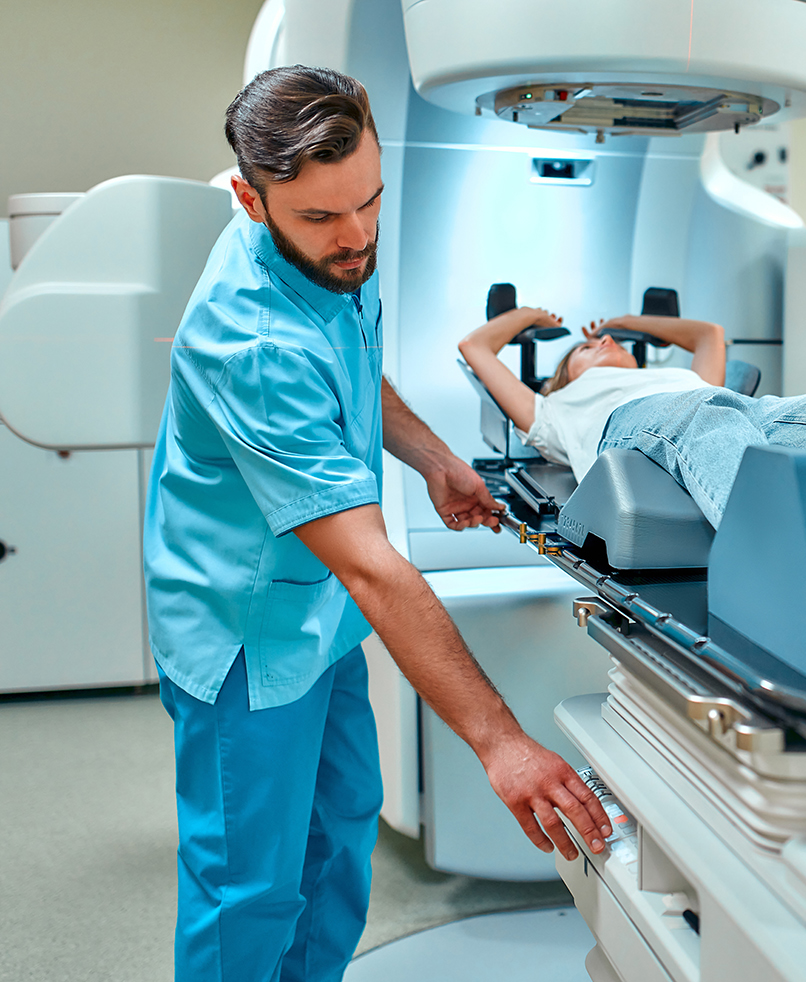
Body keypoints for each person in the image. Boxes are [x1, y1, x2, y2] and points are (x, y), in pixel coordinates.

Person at [143, 67, 612, 981]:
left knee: (342, 835)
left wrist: (436, 459)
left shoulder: (334, 249)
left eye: (369, 202)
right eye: (322, 219)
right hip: (244, 635)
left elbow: (353, 374)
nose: (355, 237)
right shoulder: (251, 343)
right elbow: (372, 568)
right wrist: (501, 741)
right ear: (252, 199)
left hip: (315, 616)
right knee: (249, 886)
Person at [458, 305, 806, 527]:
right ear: (561, 379)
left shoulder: (686, 378)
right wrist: (528, 315)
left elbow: (710, 334)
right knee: (709, 416)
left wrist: (623, 322)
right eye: (585, 348)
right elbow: (475, 346)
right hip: (642, 425)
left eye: (610, 342)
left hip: (739, 412)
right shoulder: (554, 409)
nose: (604, 343)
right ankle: (788, 568)